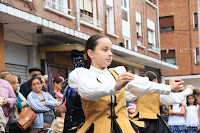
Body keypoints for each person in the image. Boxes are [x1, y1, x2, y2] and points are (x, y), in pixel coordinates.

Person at [68, 34, 186, 133]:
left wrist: (168, 87)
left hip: (125, 128)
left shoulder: (118, 72)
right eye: (105, 50)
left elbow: (144, 84)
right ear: (91, 53)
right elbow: (88, 91)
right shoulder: (80, 74)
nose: (110, 54)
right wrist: (115, 87)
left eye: (111, 50)